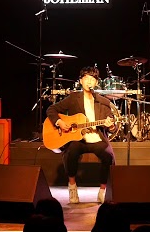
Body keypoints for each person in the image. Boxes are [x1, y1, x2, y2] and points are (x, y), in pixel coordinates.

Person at [45, 65, 118, 204]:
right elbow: (51, 109)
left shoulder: (103, 102)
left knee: (108, 155)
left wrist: (112, 125)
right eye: (86, 78)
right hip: (78, 139)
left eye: (92, 79)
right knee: (71, 151)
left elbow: (112, 128)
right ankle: (72, 185)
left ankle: (103, 190)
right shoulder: (74, 98)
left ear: (96, 82)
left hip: (96, 139)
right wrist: (59, 122)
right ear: (81, 81)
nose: (89, 81)